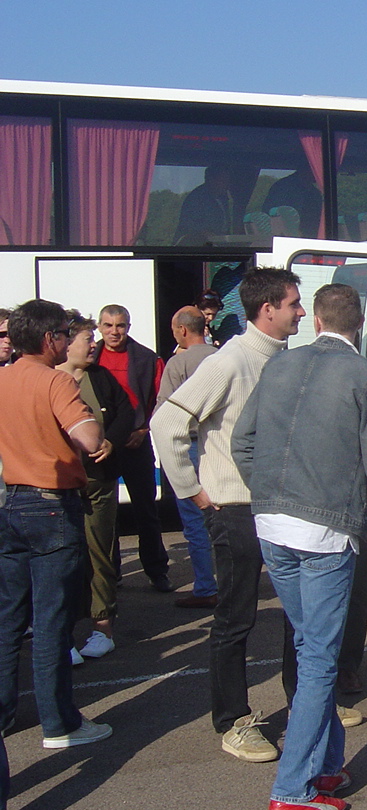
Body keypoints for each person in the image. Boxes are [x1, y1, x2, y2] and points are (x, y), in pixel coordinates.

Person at [231, 282, 367, 810]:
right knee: (318, 661)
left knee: (313, 644)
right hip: (324, 532)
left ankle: (326, 764)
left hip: (272, 524)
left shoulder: (280, 367)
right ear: (361, 324)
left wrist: (268, 493)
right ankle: (292, 789)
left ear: (314, 318)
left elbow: (244, 441)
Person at [151, 267, 304, 763]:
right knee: (236, 617)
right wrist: (194, 493)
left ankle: (303, 701)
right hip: (235, 508)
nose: (302, 311)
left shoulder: (286, 358)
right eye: (294, 304)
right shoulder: (229, 361)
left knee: (298, 612)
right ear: (268, 310)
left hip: (281, 506)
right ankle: (234, 721)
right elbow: (168, 421)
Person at [0, 300, 112, 810]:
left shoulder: (2, 379)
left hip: (7, 503)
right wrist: (90, 436)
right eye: (66, 334)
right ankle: (59, 722)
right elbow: (88, 438)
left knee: (7, 618)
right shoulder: (52, 383)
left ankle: (6, 712)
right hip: (49, 503)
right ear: (49, 339)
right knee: (51, 622)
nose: (73, 341)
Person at [57, 311, 132, 661]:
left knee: (98, 552)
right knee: (62, 561)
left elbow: (124, 414)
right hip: (57, 485)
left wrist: (112, 443)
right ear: (65, 342)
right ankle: (64, 635)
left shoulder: (100, 377)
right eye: (87, 339)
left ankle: (103, 627)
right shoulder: (48, 379)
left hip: (98, 481)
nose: (94, 345)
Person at [95, 304, 171, 592]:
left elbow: (161, 400)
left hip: (136, 443)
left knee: (146, 510)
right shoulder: (92, 357)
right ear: (100, 328)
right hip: (102, 445)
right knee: (106, 512)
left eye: (120, 326)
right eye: (108, 326)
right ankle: (110, 572)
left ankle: (156, 570)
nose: (115, 332)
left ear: (128, 326)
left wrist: (143, 429)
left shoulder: (147, 359)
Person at [157, 306, 219, 609]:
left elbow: (163, 413)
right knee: (226, 517)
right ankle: (235, 584)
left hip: (192, 446)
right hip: (221, 446)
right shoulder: (222, 358)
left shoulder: (178, 363)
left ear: (182, 330)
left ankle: (206, 586)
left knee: (195, 522)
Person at [176, 165, 235, 243]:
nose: (227, 185)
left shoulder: (223, 199)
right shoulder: (196, 198)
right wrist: (205, 234)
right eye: (224, 181)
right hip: (196, 249)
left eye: (228, 181)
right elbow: (189, 225)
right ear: (211, 180)